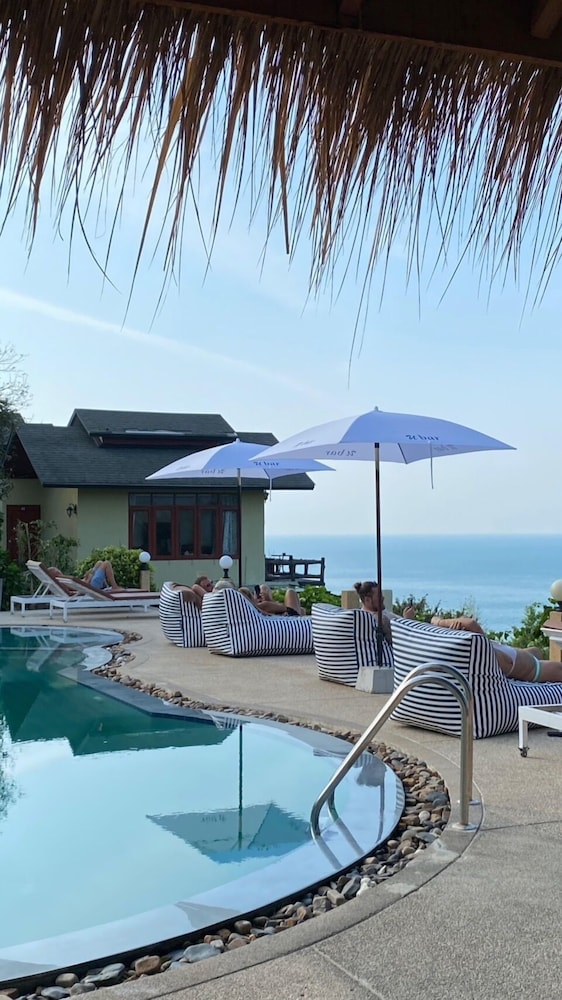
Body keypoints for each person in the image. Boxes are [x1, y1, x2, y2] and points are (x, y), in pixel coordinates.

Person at [430, 614, 562, 684]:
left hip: (524, 655)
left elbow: (469, 624)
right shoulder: (486, 652)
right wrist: (439, 622)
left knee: (537, 650)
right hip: (533, 670)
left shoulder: (483, 649)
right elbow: (471, 623)